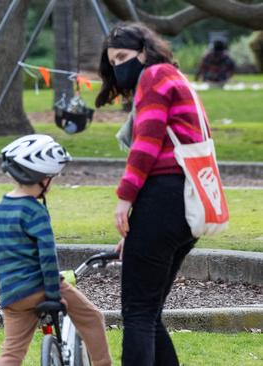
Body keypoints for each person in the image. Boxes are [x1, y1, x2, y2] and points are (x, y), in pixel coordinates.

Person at [95, 23, 204, 365]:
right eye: (113, 62)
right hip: (187, 203)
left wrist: (125, 201)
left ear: (144, 52)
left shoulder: (153, 76)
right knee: (150, 313)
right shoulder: (173, 76)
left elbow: (147, 144)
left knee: (138, 314)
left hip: (164, 196)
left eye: (124, 57)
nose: (119, 67)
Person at [0, 135, 111, 366]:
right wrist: (53, 294)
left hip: (11, 294)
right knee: (93, 318)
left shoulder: (2, 207)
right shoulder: (35, 211)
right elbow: (47, 258)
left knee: (12, 352)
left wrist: (6, 275)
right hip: (40, 287)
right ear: (42, 178)